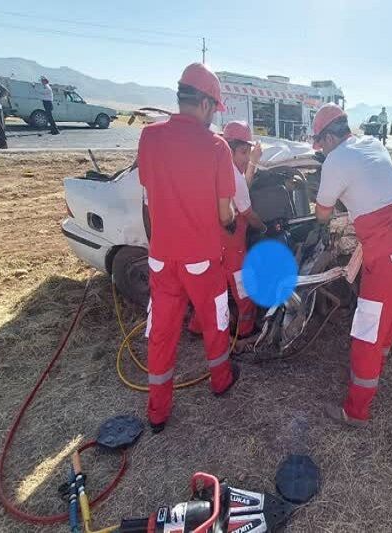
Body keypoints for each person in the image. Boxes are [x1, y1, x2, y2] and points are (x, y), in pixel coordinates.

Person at [139, 62, 239, 433]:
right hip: (201, 259)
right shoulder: (217, 147)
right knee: (215, 321)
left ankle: (158, 412)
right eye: (214, 109)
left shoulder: (149, 137)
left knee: (162, 332)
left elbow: (149, 196)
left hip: (162, 259)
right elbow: (224, 211)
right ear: (207, 104)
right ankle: (221, 380)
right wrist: (227, 224)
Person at [311, 103, 392, 427]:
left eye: (321, 143)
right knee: (387, 320)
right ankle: (372, 373)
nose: (321, 149)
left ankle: (356, 411)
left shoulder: (335, 160)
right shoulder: (372, 143)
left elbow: (321, 215)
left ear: (329, 138)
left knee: (367, 330)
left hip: (385, 254)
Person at [188, 120, 266, 340]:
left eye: (247, 153)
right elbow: (248, 213)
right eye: (243, 152)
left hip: (211, 244)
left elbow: (240, 189)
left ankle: (197, 327)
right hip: (233, 247)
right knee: (244, 292)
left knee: (209, 290)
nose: (245, 158)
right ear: (228, 149)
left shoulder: (212, 166)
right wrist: (264, 228)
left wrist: (252, 164)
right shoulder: (233, 175)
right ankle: (245, 331)